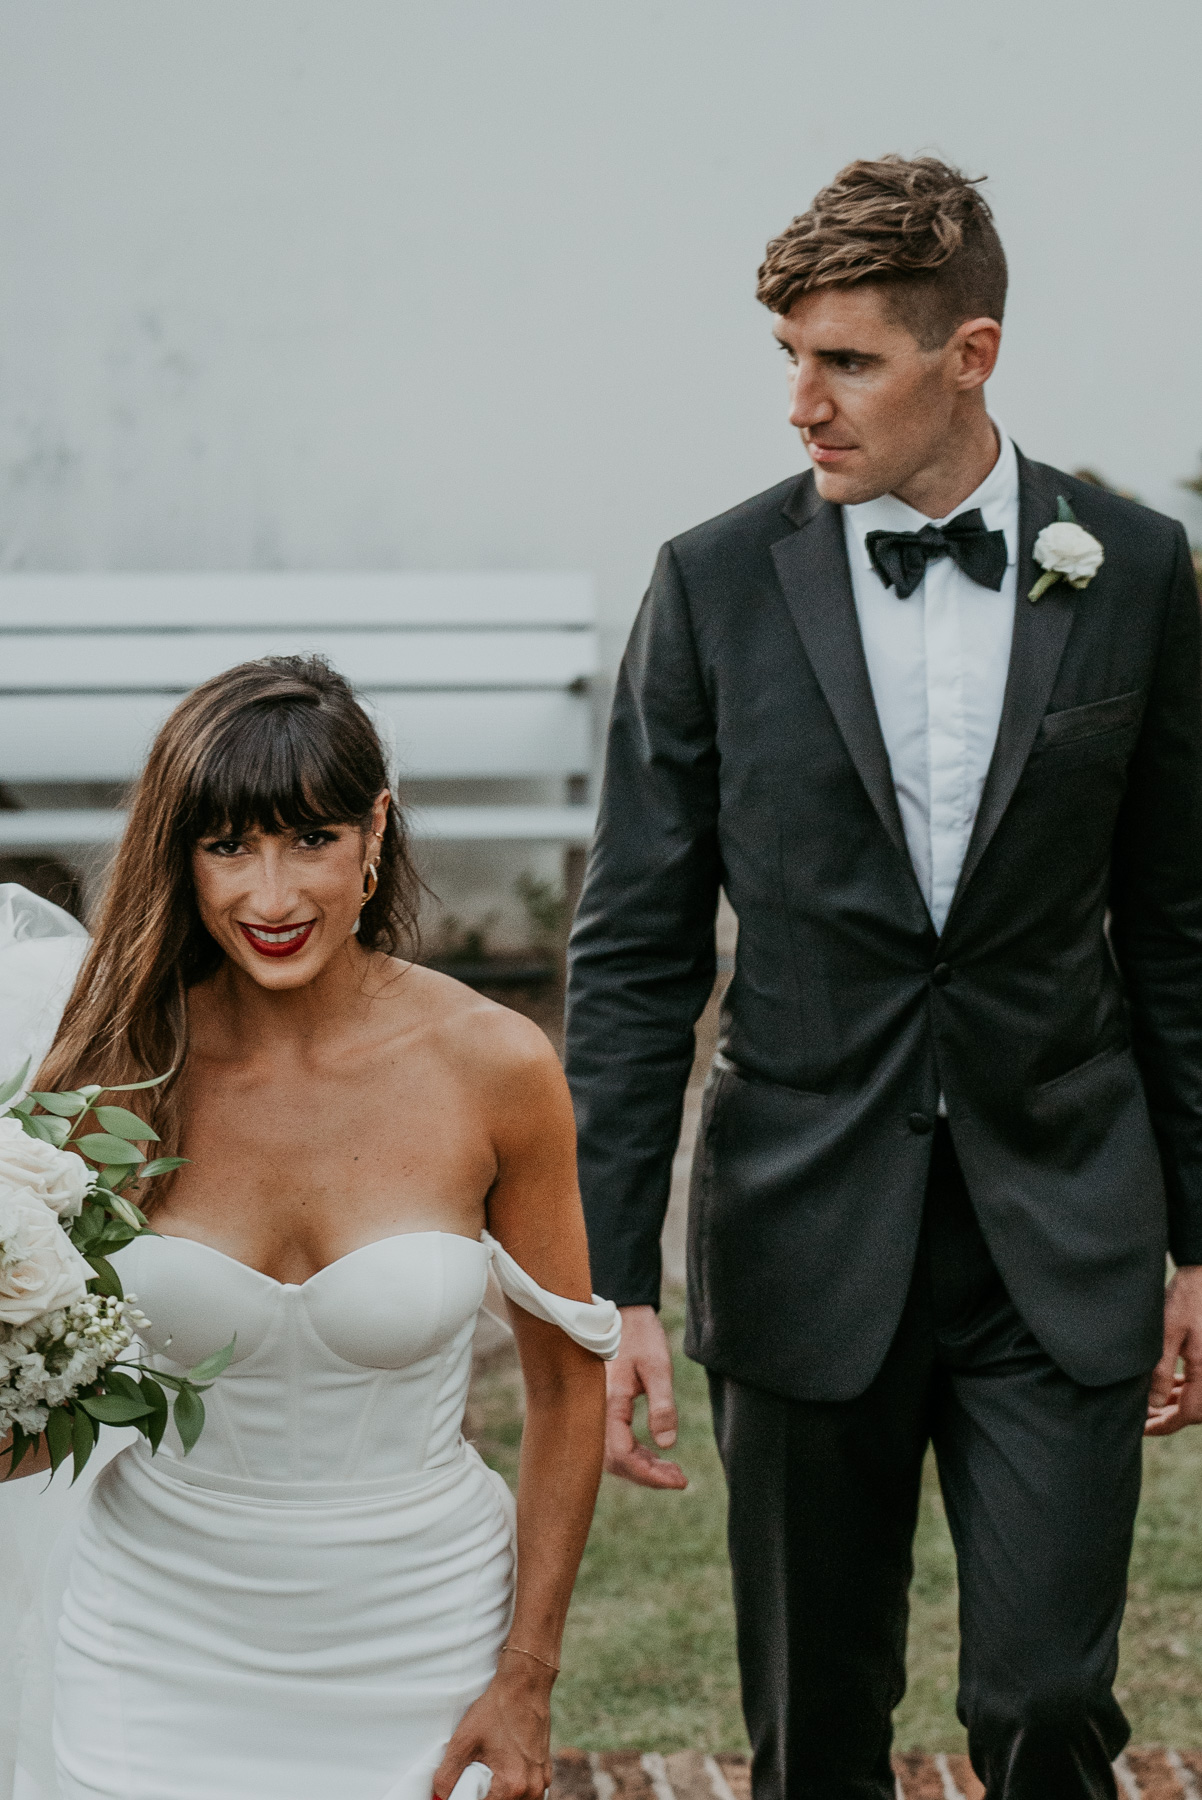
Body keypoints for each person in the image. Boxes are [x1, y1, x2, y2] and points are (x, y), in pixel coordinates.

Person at [564, 155, 1202, 1800]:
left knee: (1049, 1702)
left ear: (967, 357)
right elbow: (633, 949)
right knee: (814, 1734)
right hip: (795, 1226)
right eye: (788, 356)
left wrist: (1197, 1240)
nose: (801, 403)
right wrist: (618, 1279)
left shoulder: (1127, 571)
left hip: (1053, 1231)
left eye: (843, 360)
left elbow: (1178, 928)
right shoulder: (708, 585)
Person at [1, 654, 617, 1800]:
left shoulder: (497, 1067)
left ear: (375, 830)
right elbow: (45, 1416)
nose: (269, 898)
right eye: (227, 846)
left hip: (425, 1640)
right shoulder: (115, 1075)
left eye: (310, 841)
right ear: (179, 854)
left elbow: (569, 1387)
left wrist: (524, 1674)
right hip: (153, 1643)